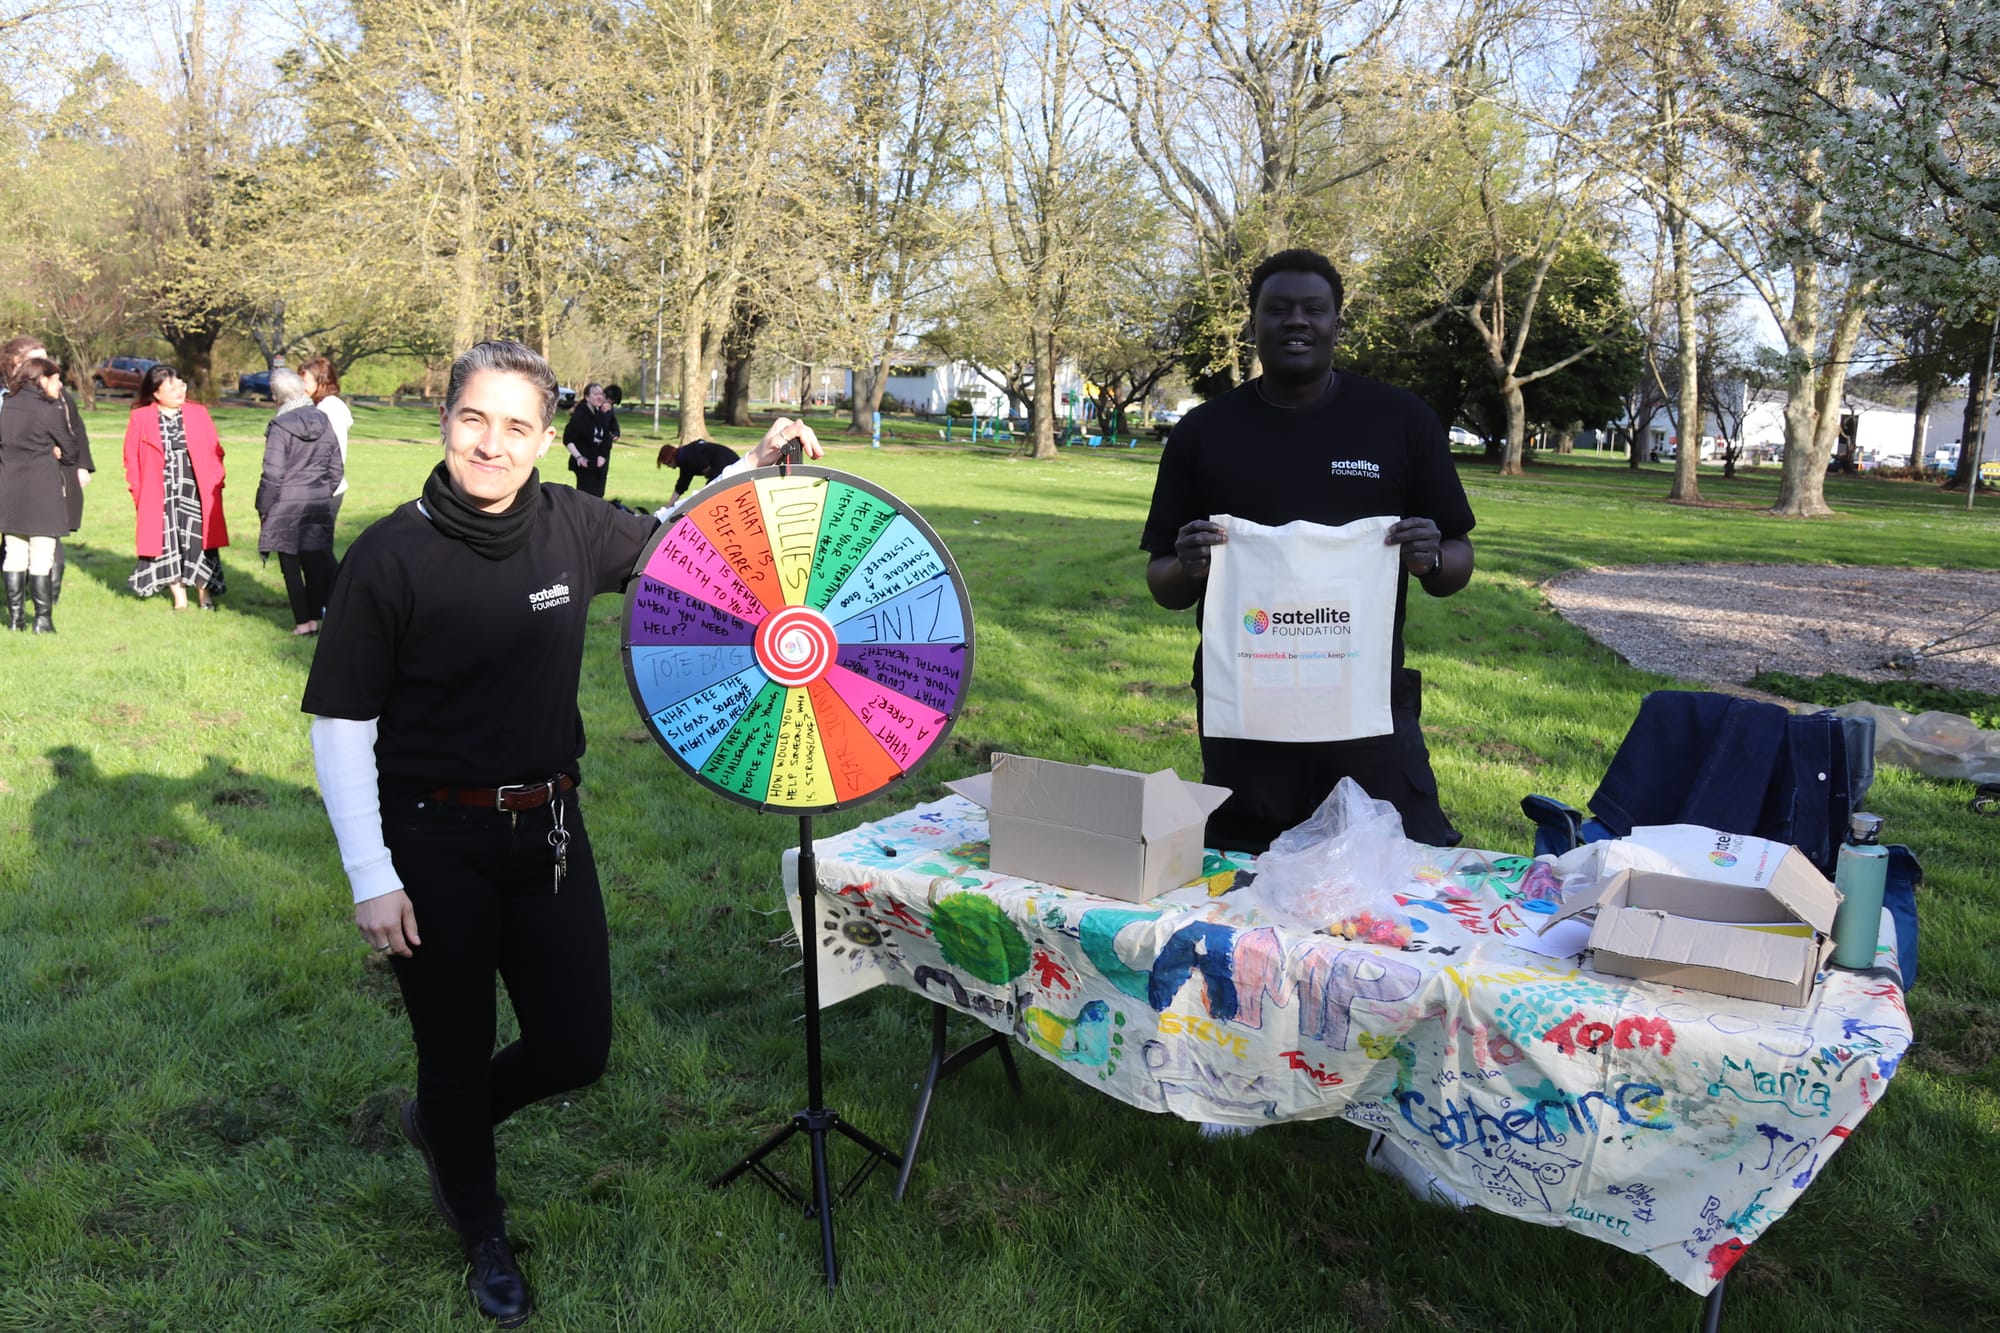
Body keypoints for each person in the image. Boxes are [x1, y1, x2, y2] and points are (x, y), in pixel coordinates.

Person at [302, 340, 820, 1326]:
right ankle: (483, 1229)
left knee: (575, 1046)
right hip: (429, 837)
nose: (490, 444)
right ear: (445, 422)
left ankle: (444, 1125)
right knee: (454, 1049)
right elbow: (341, 725)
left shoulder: (571, 523)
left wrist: (754, 467)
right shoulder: (388, 556)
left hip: (547, 826)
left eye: (514, 426)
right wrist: (371, 873)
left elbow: (675, 543)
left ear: (546, 438)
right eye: (472, 419)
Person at [1141, 248, 1476, 853]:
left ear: (1336, 322)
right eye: (1278, 309)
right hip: (1246, 704)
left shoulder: (1400, 421)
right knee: (1246, 864)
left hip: (1366, 701)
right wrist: (1187, 567)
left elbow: (1456, 562)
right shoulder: (1204, 432)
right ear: (1253, 323)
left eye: (1313, 309)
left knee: (1395, 858)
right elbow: (1162, 582)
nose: (1296, 321)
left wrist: (1430, 558)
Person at [124, 364, 230, 611]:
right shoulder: (141, 417)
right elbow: (131, 459)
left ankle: (204, 594)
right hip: (159, 492)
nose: (180, 391)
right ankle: (179, 598)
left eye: (181, 384)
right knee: (167, 541)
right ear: (156, 392)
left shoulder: (198, 412)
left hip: (196, 490)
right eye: (171, 387)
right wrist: (138, 492)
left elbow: (216, 450)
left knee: (199, 540)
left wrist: (217, 480)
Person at [0, 335, 91, 612]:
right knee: (18, 540)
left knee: (44, 537)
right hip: (15, 473)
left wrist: (81, 465)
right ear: (16, 361)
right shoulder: (8, 395)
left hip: (43, 477)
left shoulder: (56, 394)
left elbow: (76, 430)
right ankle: (37, 613)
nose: (45, 364)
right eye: (38, 359)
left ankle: (42, 600)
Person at [256, 368, 342, 635]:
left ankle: (304, 622)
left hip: (286, 505)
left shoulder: (280, 426)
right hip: (317, 501)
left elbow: (272, 474)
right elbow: (336, 468)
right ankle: (316, 616)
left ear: (276, 396)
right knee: (314, 563)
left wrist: (263, 505)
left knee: (291, 567)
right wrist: (322, 493)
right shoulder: (323, 419)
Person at [299, 356, 353, 524]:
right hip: (315, 487)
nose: (300, 387)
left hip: (324, 488)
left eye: (305, 382)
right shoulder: (317, 406)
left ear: (322, 382)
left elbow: (329, 452)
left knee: (315, 539)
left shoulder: (330, 408)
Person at [561, 382, 619, 498]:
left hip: (599, 465)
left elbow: (606, 437)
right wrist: (578, 457)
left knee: (598, 498)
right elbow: (568, 438)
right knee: (586, 499)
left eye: (601, 394)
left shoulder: (600, 414)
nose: (599, 397)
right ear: (587, 397)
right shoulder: (580, 415)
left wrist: (602, 455)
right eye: (595, 394)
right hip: (586, 465)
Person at [655, 436, 740, 503]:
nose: (668, 467)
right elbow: (681, 485)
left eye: (667, 464)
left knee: (707, 496)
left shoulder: (685, 457)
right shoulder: (684, 455)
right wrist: (668, 507)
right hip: (730, 462)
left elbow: (705, 466)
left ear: (670, 459)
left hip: (726, 464)